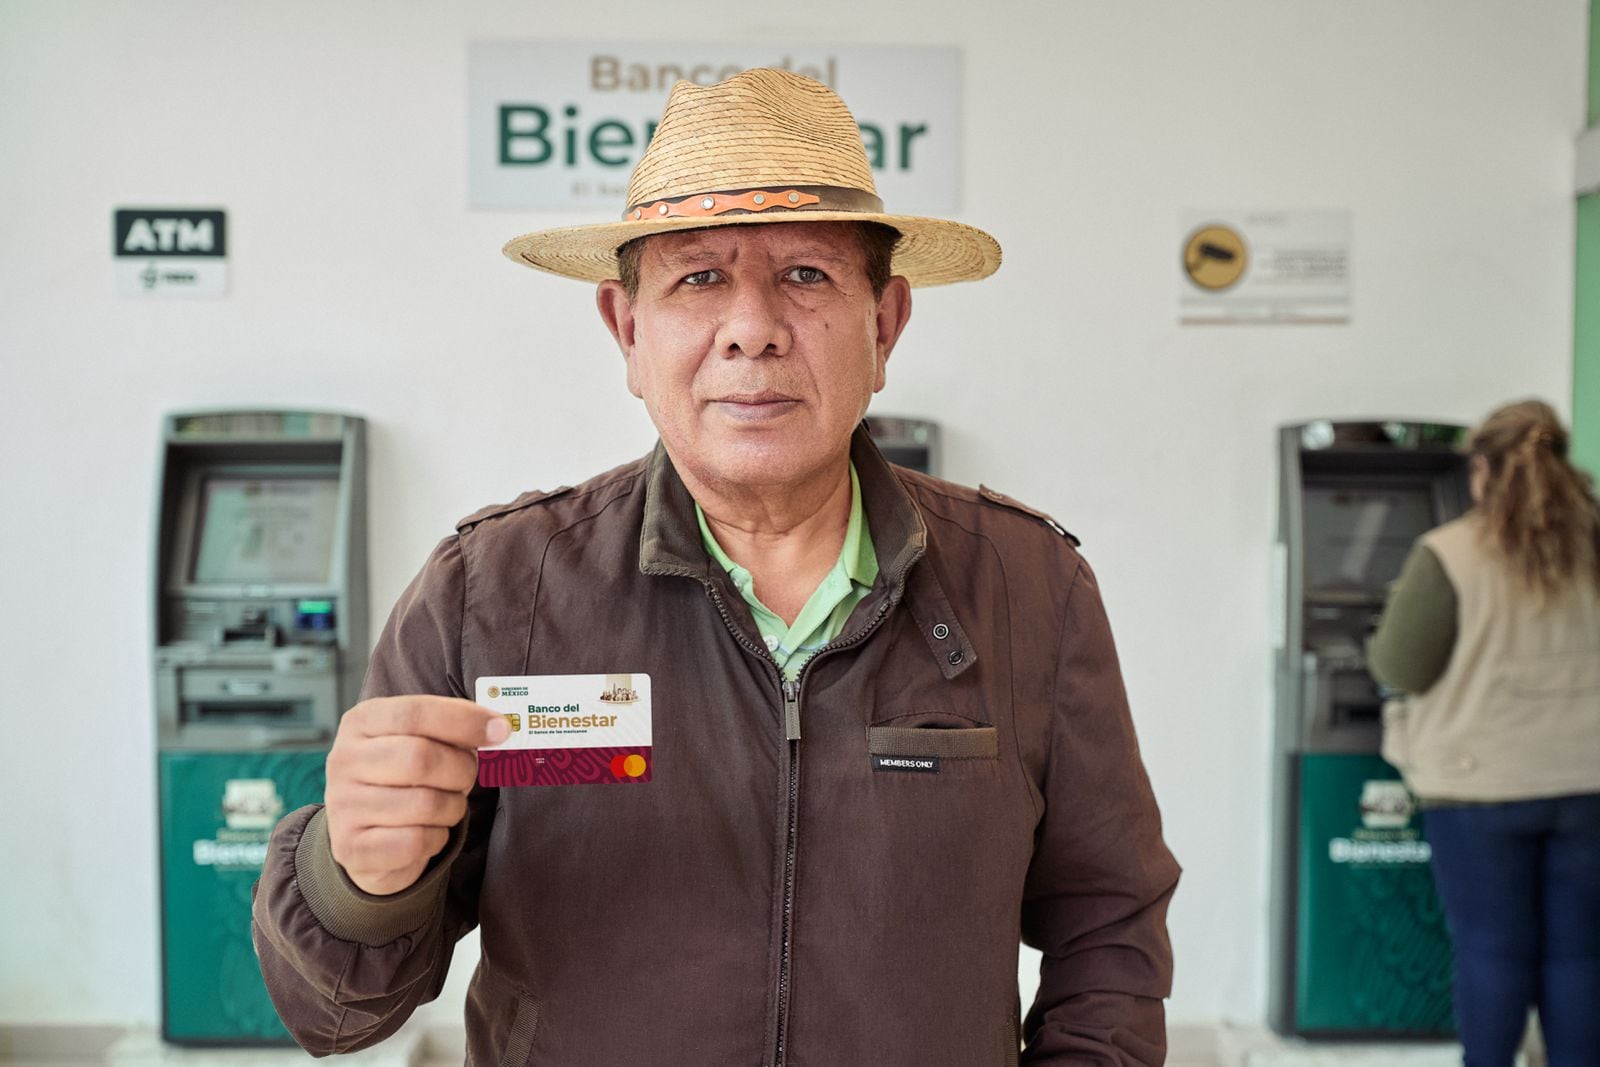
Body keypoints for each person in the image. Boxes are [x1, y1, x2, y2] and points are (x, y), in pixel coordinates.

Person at [252, 68, 1179, 1065]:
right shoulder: (492, 590)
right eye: (698, 277)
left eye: (807, 276)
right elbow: (339, 1012)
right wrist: (359, 875)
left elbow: (1109, 931)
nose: (753, 327)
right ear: (629, 330)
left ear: (885, 325)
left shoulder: (1028, 587)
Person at [1368, 399, 1600, 1067]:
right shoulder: (1594, 541)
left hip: (1480, 786)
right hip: (1587, 779)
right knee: (1580, 954)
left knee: (1493, 950)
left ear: (1481, 469)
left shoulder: (1450, 551)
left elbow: (1398, 663)